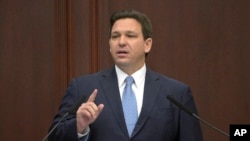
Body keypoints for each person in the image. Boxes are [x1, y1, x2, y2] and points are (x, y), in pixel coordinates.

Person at [48, 9, 203, 141]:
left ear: (147, 44)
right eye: (115, 36)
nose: (121, 42)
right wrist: (79, 126)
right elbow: (53, 136)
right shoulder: (82, 88)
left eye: (130, 35)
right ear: (109, 45)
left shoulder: (176, 94)